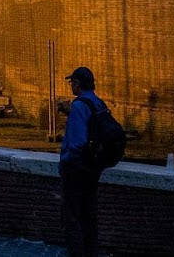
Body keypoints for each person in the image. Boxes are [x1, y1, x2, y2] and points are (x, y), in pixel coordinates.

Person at [59, 66, 105, 256]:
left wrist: (66, 163)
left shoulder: (78, 106)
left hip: (76, 170)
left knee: (71, 218)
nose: (71, 86)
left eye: (72, 83)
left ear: (77, 84)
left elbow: (78, 142)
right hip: (92, 169)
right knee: (89, 217)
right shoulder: (98, 103)